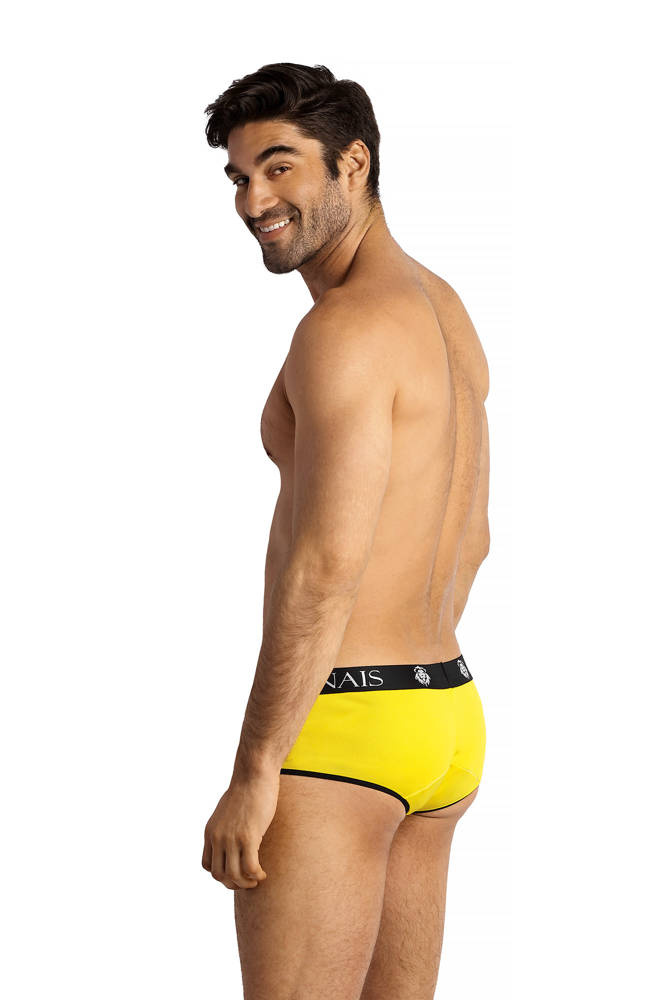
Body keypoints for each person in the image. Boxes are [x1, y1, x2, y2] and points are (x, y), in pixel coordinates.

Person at [201, 62, 490, 1000]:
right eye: (240, 176)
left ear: (353, 164)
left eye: (280, 167)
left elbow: (326, 564)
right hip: (444, 712)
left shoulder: (344, 331)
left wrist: (256, 768)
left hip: (345, 727)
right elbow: (474, 535)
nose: (253, 200)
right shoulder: (442, 309)